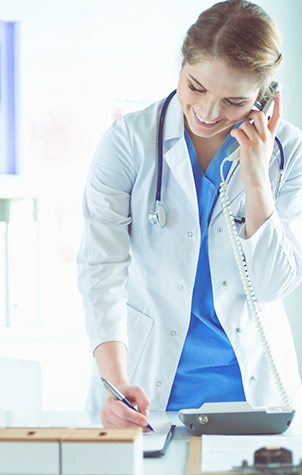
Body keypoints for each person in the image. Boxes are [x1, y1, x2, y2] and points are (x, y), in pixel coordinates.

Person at [77, 0, 302, 431]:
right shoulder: (130, 142)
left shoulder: (286, 155)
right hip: (147, 387)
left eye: (235, 101)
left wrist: (256, 177)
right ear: (182, 63)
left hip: (251, 395)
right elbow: (99, 270)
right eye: (196, 86)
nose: (209, 112)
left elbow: (273, 284)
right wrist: (115, 382)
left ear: (264, 98)